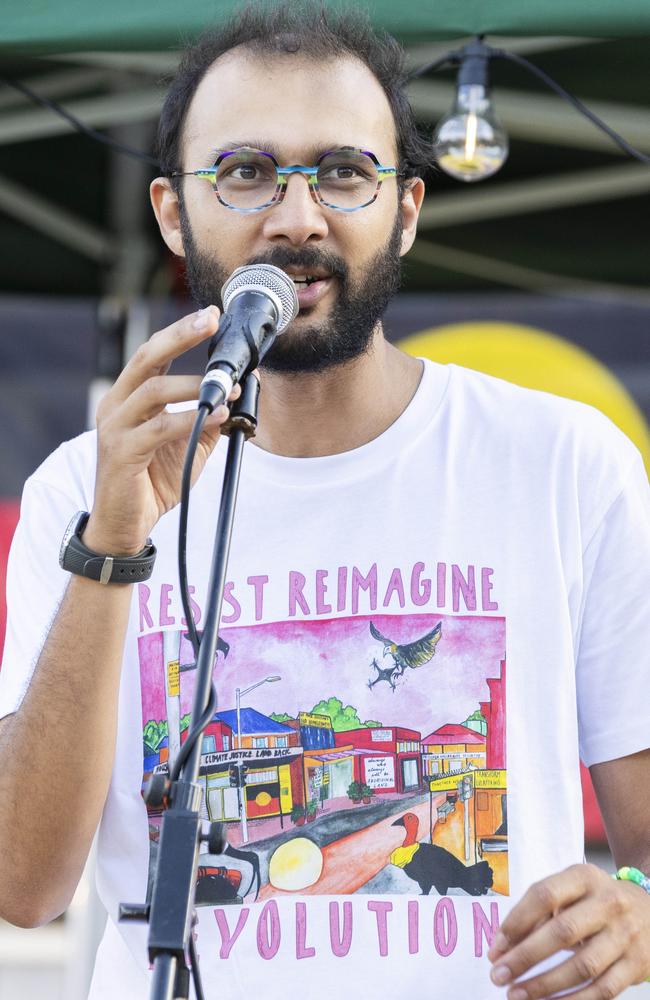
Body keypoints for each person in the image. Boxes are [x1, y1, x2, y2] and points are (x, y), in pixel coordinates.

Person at [1, 4, 649, 998]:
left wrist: (636, 905)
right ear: (173, 214)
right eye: (246, 172)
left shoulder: (562, 462)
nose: (295, 217)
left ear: (406, 208)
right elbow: (23, 884)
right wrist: (114, 543)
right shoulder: (77, 492)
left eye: (342, 172)